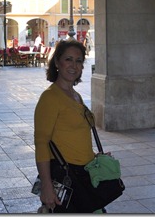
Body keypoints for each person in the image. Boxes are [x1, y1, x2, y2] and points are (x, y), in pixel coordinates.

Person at [34, 40, 101, 213]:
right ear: (57, 62)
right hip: (68, 177)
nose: (74, 65)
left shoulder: (75, 96)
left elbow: (72, 137)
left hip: (84, 174)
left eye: (79, 61)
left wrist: (93, 156)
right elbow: (42, 144)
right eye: (68, 59)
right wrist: (47, 187)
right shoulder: (50, 98)